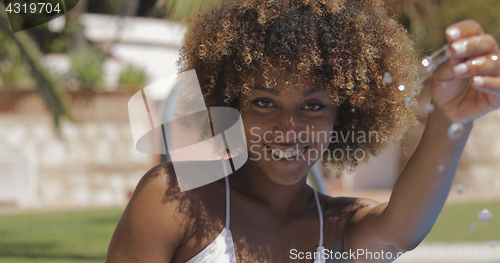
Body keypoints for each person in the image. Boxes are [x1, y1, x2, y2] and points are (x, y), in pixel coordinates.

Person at [106, 0, 500, 262]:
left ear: (342, 116)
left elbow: (400, 233)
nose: (288, 127)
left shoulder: (340, 227)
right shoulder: (173, 200)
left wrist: (451, 118)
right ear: (229, 106)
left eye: (313, 106)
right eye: (263, 102)